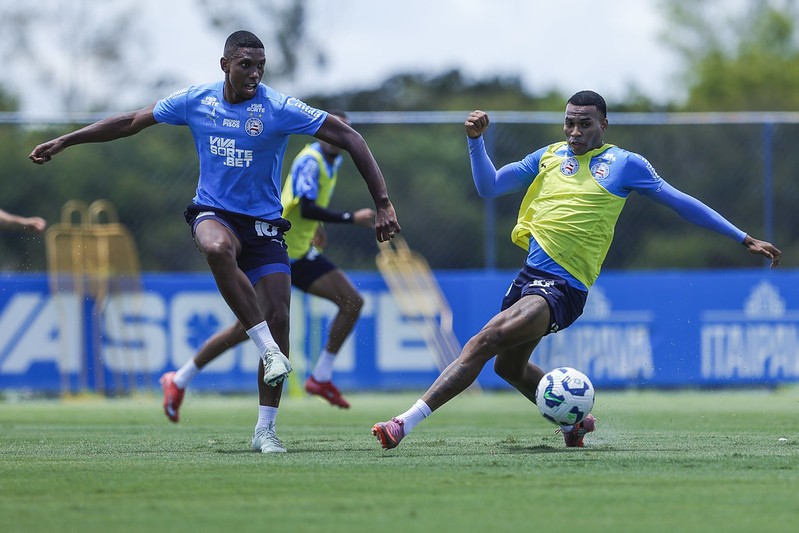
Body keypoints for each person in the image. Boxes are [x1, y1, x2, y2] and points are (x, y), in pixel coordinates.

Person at [29, 30, 401, 454]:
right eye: (246, 64)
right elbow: (132, 120)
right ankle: (268, 351)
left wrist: (384, 203)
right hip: (214, 213)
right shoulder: (196, 100)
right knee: (216, 248)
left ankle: (265, 429)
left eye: (261, 66)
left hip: (264, 226)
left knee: (278, 315)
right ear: (224, 64)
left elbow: (351, 137)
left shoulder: (277, 107)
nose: (255, 73)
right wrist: (67, 139)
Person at [371, 90, 781, 450]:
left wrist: (742, 237)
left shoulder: (625, 164)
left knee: (485, 340)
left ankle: (403, 423)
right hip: (529, 278)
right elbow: (490, 186)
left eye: (585, 124)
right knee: (507, 367)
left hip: (563, 288)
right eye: (569, 123)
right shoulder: (549, 156)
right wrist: (475, 142)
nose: (575, 132)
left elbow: (680, 201)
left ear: (603, 124)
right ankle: (575, 422)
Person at [159, 110, 375, 420]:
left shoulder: (335, 159)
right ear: (323, 134)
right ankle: (179, 379)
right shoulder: (311, 160)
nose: (338, 137)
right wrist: (350, 218)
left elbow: (302, 205)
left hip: (302, 251)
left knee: (351, 301)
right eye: (334, 130)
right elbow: (307, 204)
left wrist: (315, 226)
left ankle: (321, 377)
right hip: (280, 249)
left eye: (343, 131)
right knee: (246, 327)